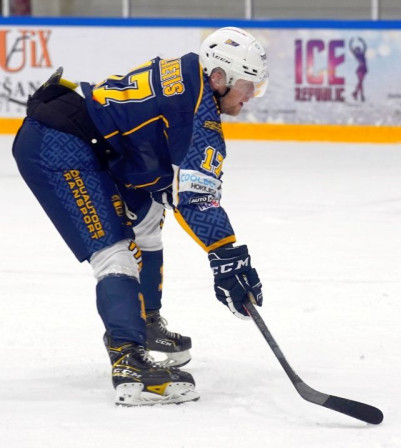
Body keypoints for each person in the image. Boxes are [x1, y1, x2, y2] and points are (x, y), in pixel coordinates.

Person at [12, 27, 269, 406]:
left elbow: (167, 174)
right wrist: (226, 254)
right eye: (248, 85)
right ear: (220, 78)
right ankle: (129, 360)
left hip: (95, 143)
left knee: (149, 219)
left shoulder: (188, 76)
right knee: (114, 253)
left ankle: (144, 322)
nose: (251, 96)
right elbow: (196, 198)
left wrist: (217, 243)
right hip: (61, 146)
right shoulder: (198, 112)